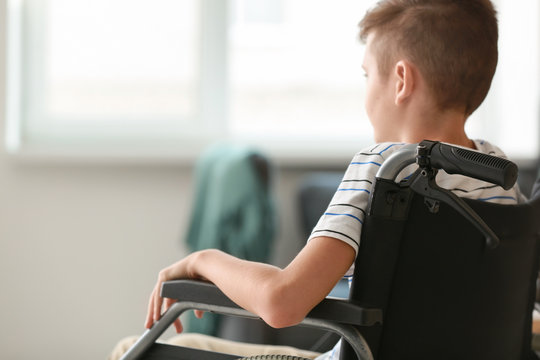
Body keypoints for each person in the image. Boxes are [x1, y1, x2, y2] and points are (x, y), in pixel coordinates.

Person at [109, 0, 526, 359]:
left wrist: (204, 260)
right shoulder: (499, 173)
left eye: (367, 76)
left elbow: (282, 301)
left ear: (401, 81)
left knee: (134, 347)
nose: (366, 93)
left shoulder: (385, 170)